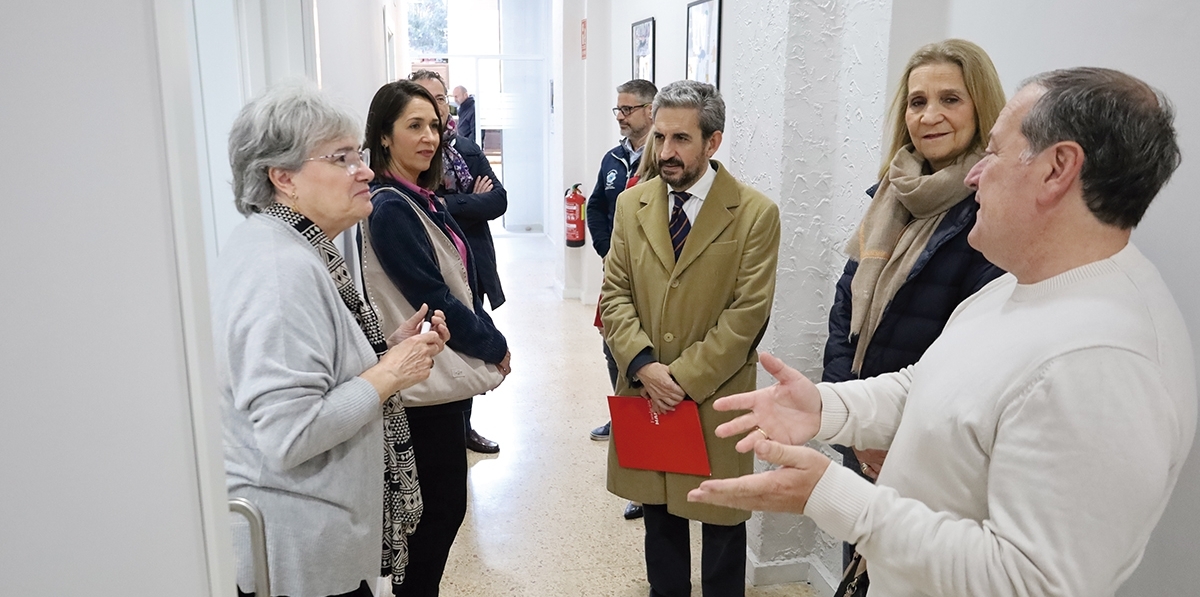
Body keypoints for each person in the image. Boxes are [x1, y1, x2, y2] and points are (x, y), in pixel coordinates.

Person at [689, 67, 1196, 596]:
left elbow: (1031, 583)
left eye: (993, 153)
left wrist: (832, 495)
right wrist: (825, 408)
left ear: (1057, 169)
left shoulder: (1105, 362)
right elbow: (926, 384)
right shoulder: (1019, 283)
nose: (974, 175)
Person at [215, 82, 447, 597]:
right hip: (298, 558)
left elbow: (318, 373)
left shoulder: (292, 246)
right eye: (342, 158)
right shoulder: (281, 271)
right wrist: (390, 373)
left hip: (312, 545)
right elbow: (290, 434)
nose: (364, 170)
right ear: (283, 178)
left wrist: (387, 351)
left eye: (358, 155)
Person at [821, 39, 1005, 565]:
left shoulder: (988, 211)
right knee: (860, 564)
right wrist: (853, 421)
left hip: (930, 445)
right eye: (917, 101)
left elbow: (974, 353)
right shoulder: (888, 193)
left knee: (910, 571)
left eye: (951, 99)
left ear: (982, 108)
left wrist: (891, 435)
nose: (930, 115)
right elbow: (844, 314)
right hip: (865, 428)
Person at [602, 79, 781, 597]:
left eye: (680, 139)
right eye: (659, 138)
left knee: (723, 523)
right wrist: (643, 366)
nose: (665, 153)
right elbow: (614, 294)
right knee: (660, 520)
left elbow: (747, 315)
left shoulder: (754, 214)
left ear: (713, 141)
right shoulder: (631, 206)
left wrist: (678, 378)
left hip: (715, 395)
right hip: (647, 389)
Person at [363, 79, 511, 597]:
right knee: (437, 510)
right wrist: (493, 343)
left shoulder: (419, 198)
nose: (429, 138)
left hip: (435, 377)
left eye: (435, 126)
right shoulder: (391, 208)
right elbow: (435, 297)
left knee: (441, 508)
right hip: (420, 384)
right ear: (383, 136)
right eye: (413, 126)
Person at [411, 70, 507, 455]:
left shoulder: (464, 148)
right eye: (425, 97)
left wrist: (447, 205)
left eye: (439, 98)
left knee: (467, 338)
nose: (436, 106)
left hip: (474, 261)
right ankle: (445, 427)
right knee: (441, 343)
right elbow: (422, 208)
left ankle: (465, 426)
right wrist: (468, 203)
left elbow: (498, 200)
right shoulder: (413, 155)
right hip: (437, 266)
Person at [587, 78, 656, 445]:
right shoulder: (613, 159)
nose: (621, 117)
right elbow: (596, 206)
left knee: (643, 348)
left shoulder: (662, 160)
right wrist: (605, 249)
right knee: (612, 344)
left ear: (650, 110)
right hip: (615, 271)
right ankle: (623, 416)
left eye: (627, 109)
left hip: (650, 276)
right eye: (618, 109)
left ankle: (648, 423)